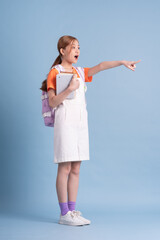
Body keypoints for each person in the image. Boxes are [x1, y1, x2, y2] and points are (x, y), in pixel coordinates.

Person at [40, 35, 141, 226]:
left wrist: (122, 62)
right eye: (73, 47)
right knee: (65, 167)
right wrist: (69, 89)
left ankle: (73, 211)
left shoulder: (79, 71)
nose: (77, 51)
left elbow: (101, 66)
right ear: (62, 51)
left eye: (79, 47)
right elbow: (53, 102)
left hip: (80, 124)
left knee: (76, 169)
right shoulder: (56, 72)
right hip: (65, 123)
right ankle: (64, 214)